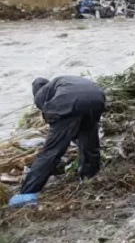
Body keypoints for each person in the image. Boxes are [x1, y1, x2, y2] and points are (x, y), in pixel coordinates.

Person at [8, 76, 106, 208]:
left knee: (51, 151)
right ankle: (89, 177)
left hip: (70, 101)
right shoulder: (61, 83)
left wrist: (60, 138)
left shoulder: (41, 94)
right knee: (88, 141)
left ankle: (27, 193)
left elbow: (51, 119)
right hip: (97, 97)